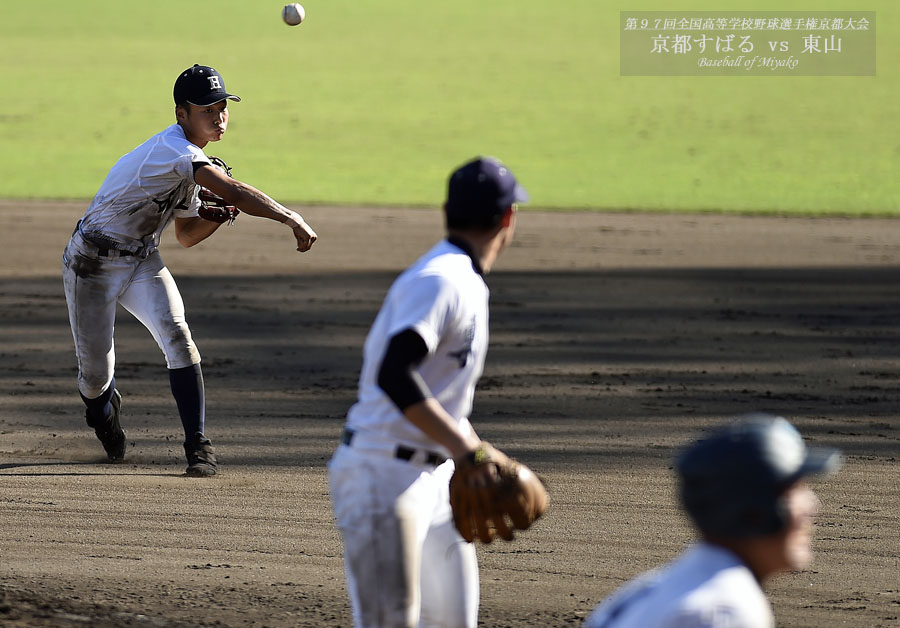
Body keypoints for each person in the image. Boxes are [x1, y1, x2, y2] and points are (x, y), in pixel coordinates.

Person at [62, 64, 318, 477]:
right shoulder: (174, 151)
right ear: (182, 114)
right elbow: (233, 189)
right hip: (90, 263)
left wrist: (218, 216)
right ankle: (103, 412)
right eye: (206, 110)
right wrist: (289, 217)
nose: (218, 117)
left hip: (142, 258)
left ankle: (198, 447)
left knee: (178, 336)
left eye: (222, 107)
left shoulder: (191, 165)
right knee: (94, 378)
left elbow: (186, 235)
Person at [328, 156, 528, 627]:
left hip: (438, 480)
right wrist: (470, 453)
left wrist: (473, 448)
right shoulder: (442, 280)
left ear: (447, 211)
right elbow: (395, 373)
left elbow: (439, 388)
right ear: (508, 219)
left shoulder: (463, 278)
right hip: (381, 476)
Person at [583, 414, 842, 628]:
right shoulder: (723, 612)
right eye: (796, 490)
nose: (813, 506)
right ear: (756, 513)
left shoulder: (654, 585)